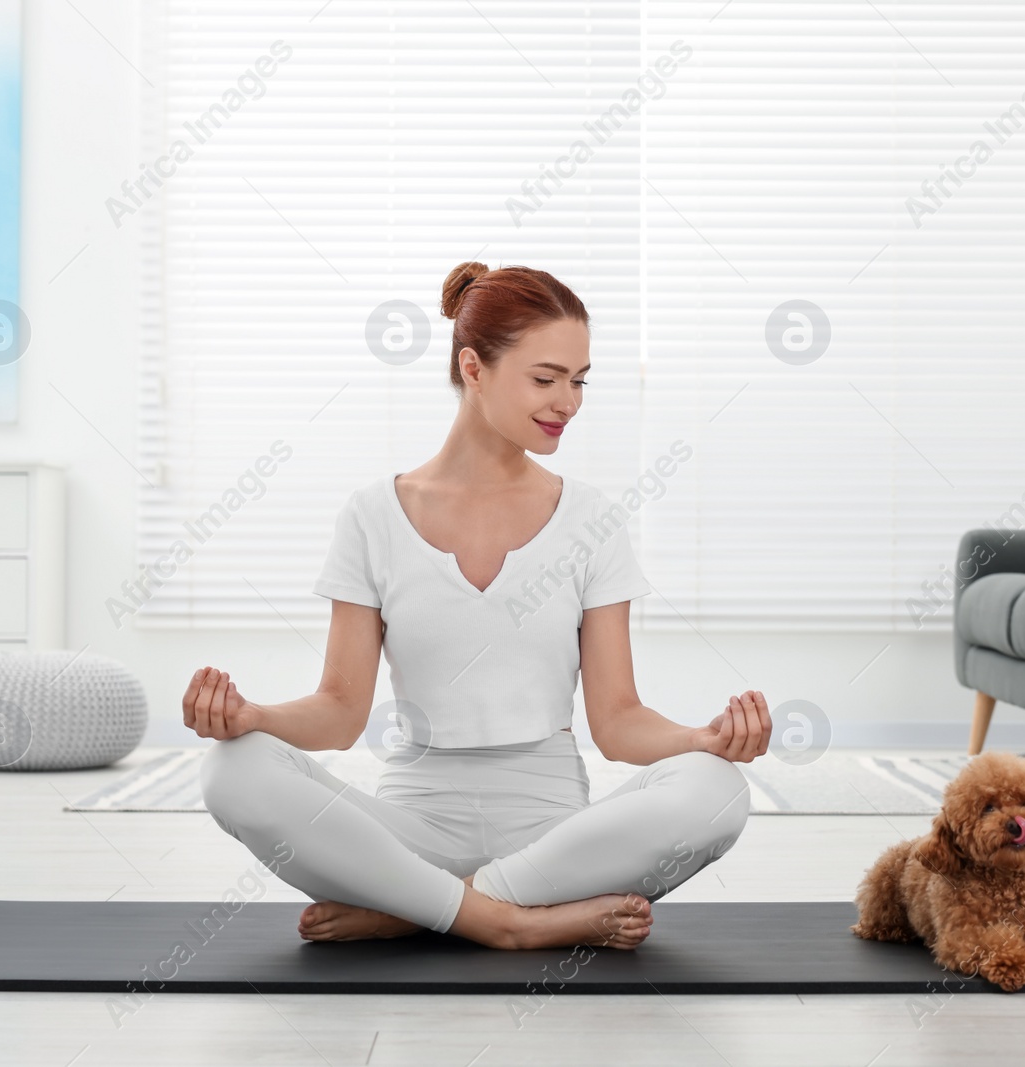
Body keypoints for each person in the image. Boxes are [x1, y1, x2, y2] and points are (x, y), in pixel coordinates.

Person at [187, 261, 770, 951]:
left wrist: (703, 740)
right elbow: (341, 711)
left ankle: (421, 909)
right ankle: (509, 923)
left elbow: (618, 723)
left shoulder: (592, 518)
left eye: (579, 381)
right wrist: (250, 718)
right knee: (233, 768)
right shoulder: (374, 515)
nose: (568, 401)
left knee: (719, 790)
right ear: (474, 367)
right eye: (546, 378)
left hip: (554, 842)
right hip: (411, 832)